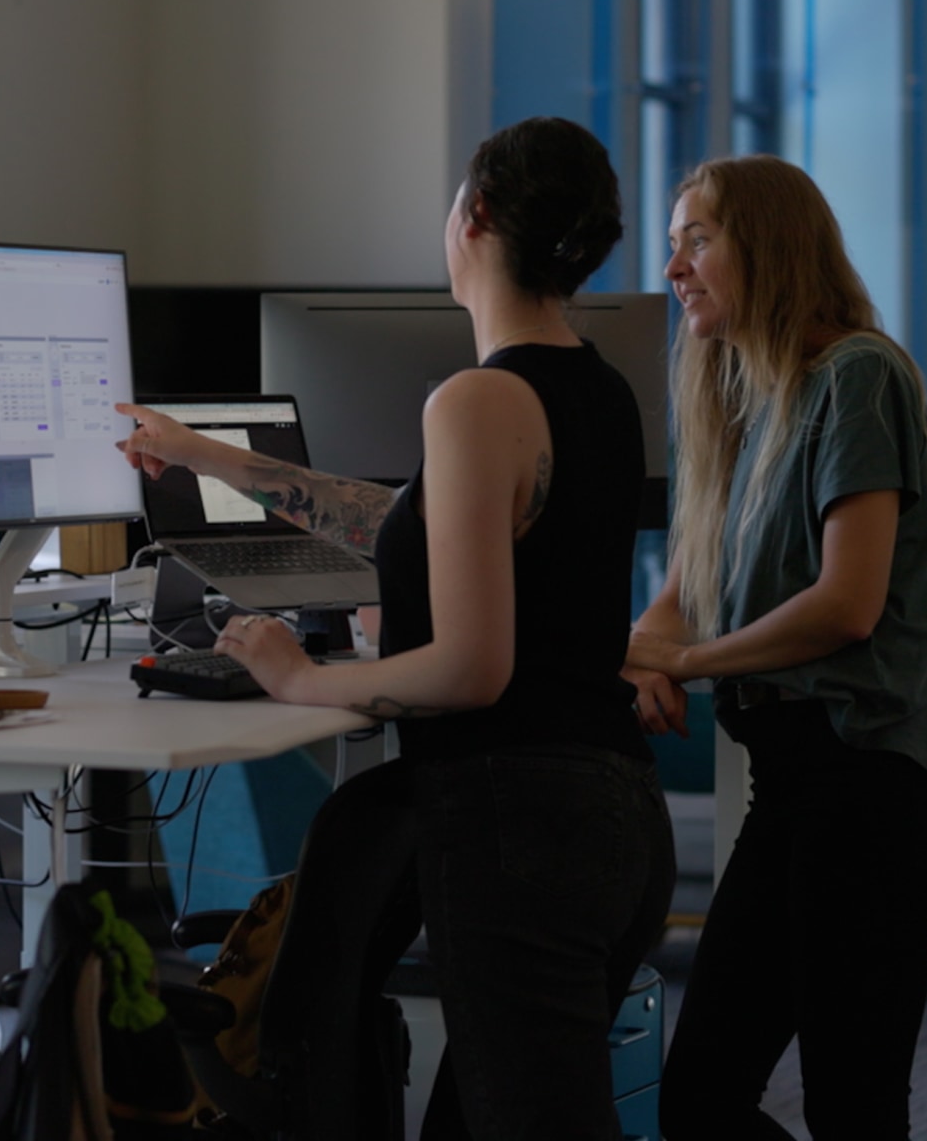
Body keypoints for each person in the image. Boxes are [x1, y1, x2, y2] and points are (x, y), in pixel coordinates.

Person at [116, 116, 676, 1140]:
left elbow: (470, 667)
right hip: (611, 820)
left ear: (476, 216)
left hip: (517, 833)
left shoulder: (473, 398)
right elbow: (402, 523)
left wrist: (298, 678)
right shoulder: (597, 389)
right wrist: (208, 455)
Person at [625, 156, 927, 1141]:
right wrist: (648, 649)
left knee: (851, 1106)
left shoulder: (855, 377)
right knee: (696, 1098)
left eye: (696, 238)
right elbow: (673, 603)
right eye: (668, 245)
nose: (673, 267)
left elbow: (844, 605)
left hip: (872, 784)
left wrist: (681, 664)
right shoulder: (740, 406)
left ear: (768, 247)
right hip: (793, 786)